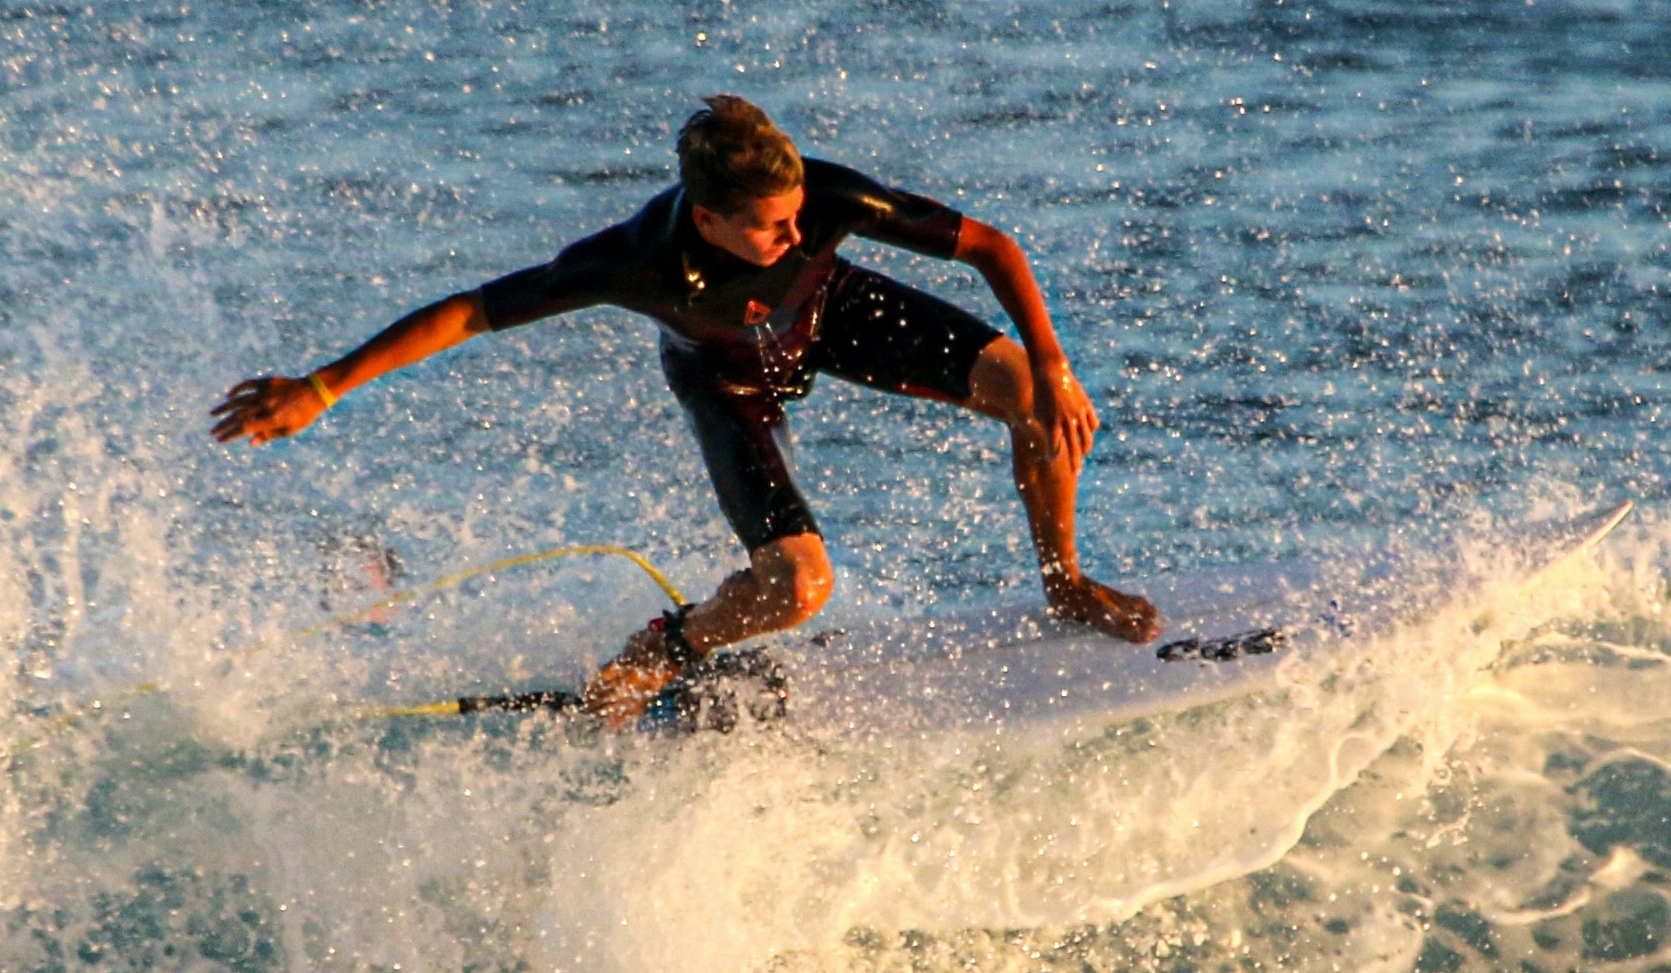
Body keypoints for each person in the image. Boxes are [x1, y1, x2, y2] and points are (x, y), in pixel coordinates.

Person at [210, 96, 1158, 720]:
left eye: (799, 216)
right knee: (797, 589)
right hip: (725, 376)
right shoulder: (637, 261)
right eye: (772, 227)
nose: (797, 232)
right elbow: (469, 312)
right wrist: (324, 386)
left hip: (831, 314)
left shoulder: (822, 202)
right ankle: (665, 645)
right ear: (707, 219)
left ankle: (1065, 581)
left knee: (1033, 393)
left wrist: (1054, 361)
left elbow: (991, 245)